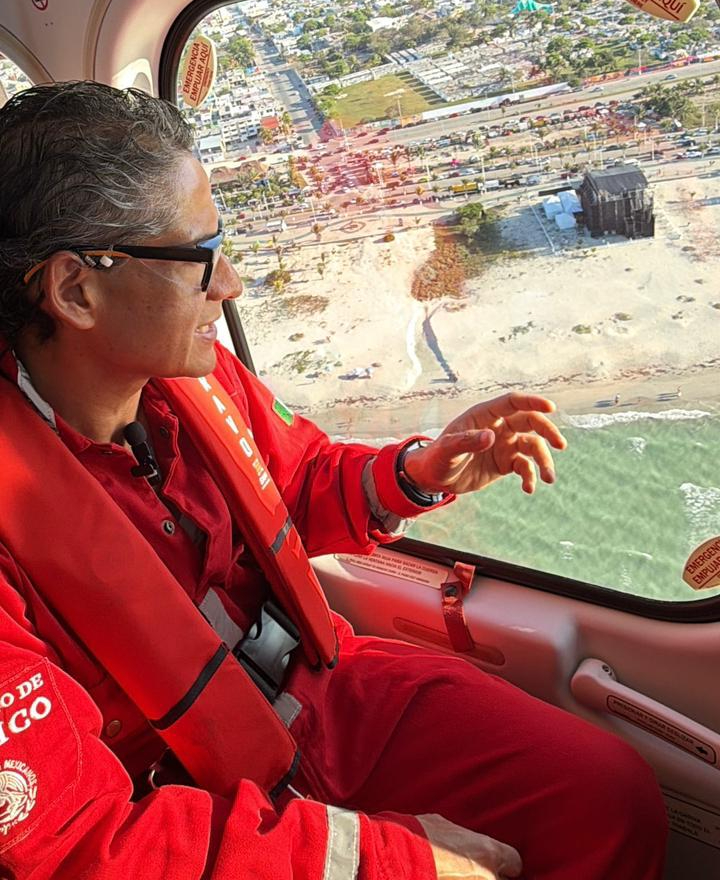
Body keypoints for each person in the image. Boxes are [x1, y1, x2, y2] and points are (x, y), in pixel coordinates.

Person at [0, 83, 667, 880]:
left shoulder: (191, 388)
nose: (232, 285)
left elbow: (298, 481)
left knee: (609, 799)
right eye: (201, 257)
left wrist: (418, 475)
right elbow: (82, 843)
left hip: (329, 687)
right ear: (77, 290)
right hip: (187, 791)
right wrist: (387, 859)